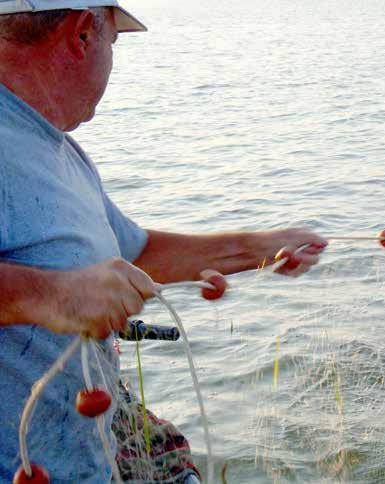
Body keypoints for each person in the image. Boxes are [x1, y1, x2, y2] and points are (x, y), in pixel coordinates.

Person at [0, 2, 327, 481]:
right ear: (81, 35)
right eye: (114, 38)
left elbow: (134, 252)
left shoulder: (59, 151)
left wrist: (259, 248)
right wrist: (53, 295)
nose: (113, 56)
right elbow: (61, 288)